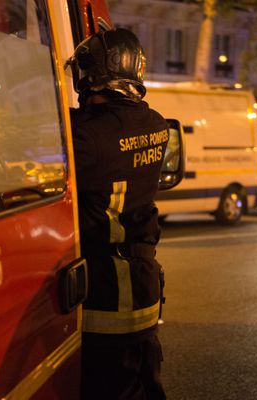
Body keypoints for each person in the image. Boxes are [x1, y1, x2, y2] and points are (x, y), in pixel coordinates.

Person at [67, 28, 168, 400]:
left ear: (90, 74)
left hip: (108, 298)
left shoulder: (83, 138)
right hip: (144, 286)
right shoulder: (157, 125)